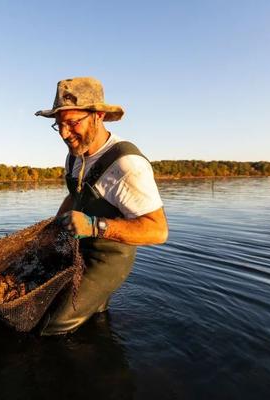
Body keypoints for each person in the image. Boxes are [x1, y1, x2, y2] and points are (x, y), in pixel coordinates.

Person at [35, 77, 169, 335]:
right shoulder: (75, 155)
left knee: (49, 326)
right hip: (79, 252)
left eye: (72, 123)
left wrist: (95, 226)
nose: (64, 134)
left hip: (107, 261)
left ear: (98, 116)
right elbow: (75, 196)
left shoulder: (126, 165)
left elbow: (158, 231)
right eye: (59, 125)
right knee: (92, 319)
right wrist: (52, 230)